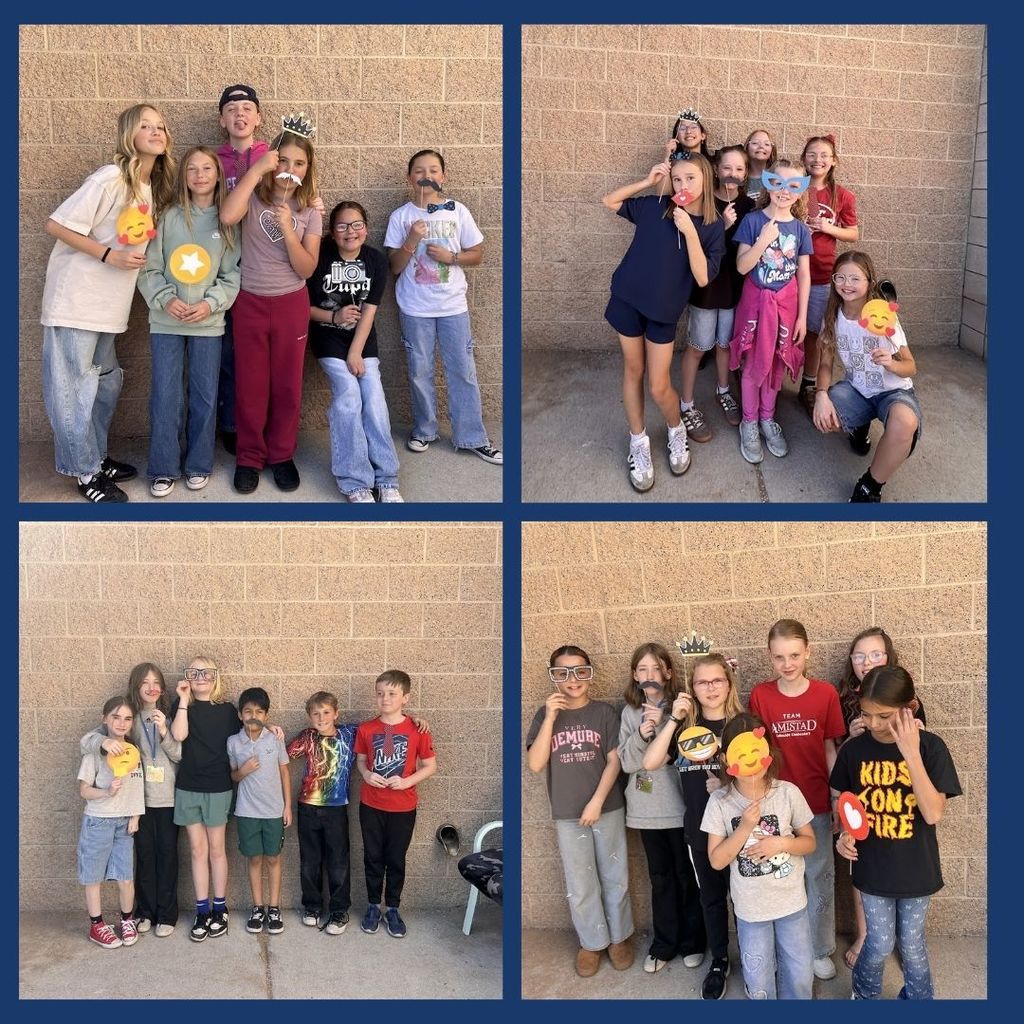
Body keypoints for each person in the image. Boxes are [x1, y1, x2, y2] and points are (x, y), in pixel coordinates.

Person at [41, 103, 175, 502]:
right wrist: (107, 255)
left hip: (108, 308)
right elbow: (56, 224)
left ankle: (96, 458)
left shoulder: (147, 187)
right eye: (146, 126)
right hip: (77, 301)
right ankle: (85, 473)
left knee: (104, 386)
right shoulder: (110, 178)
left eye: (160, 126)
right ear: (129, 134)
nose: (156, 131)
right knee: (74, 390)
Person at [831, 666, 961, 1000]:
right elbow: (845, 805)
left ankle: (918, 1000)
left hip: (917, 870)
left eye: (884, 716)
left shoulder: (931, 748)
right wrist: (844, 835)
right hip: (872, 869)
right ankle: (864, 995)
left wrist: (911, 752)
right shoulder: (854, 751)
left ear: (909, 708)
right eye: (866, 714)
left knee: (912, 945)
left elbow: (933, 813)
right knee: (878, 943)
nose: (873, 724)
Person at [601, 155, 725, 491]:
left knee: (658, 385)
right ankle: (638, 441)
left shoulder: (713, 226)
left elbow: (703, 277)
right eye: (678, 179)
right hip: (627, 299)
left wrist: (691, 232)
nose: (684, 185)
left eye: (691, 178)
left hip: (663, 311)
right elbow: (609, 201)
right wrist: (647, 182)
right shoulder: (656, 206)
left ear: (706, 179)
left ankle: (675, 428)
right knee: (633, 371)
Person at [220, 118, 322, 494]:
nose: (291, 169)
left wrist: (291, 231)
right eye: (285, 161)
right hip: (249, 301)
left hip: (291, 304)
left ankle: (281, 455)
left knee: (286, 386)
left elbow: (306, 268)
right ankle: (249, 457)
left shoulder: (310, 209)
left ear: (308, 169)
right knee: (250, 385)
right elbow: (227, 215)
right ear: (273, 160)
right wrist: (256, 170)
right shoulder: (253, 195)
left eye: (300, 164)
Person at [384, 149, 501, 465]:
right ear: (410, 179)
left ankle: (472, 437)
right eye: (420, 171)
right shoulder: (401, 217)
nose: (427, 176)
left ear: (443, 177)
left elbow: (478, 254)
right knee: (419, 371)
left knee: (463, 371)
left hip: (453, 307)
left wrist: (452, 257)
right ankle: (424, 430)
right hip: (415, 308)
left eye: (434, 170)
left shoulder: (457, 211)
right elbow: (394, 266)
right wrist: (411, 239)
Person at [138, 145, 240, 497]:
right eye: (192, 169)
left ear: (218, 175)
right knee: (165, 395)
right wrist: (166, 299)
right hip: (166, 321)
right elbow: (149, 267)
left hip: (208, 324)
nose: (199, 175)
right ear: (183, 176)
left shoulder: (227, 221)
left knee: (205, 396)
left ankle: (199, 463)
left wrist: (211, 304)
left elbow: (232, 275)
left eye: (207, 168)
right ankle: (163, 466)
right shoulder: (168, 216)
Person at [526, 645, 633, 978]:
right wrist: (550, 718)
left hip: (607, 807)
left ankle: (619, 938)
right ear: (554, 677)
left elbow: (615, 761)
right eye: (562, 673)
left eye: (579, 671)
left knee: (615, 876)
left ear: (590, 674)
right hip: (567, 813)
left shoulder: (604, 713)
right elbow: (535, 763)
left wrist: (597, 801)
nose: (572, 679)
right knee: (580, 881)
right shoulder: (544, 715)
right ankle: (592, 941)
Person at [643, 652, 745, 999]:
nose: (710, 687)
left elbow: (763, 776)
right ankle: (720, 960)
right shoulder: (686, 730)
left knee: (744, 899)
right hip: (700, 831)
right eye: (702, 682)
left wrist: (727, 786)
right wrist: (675, 718)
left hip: (741, 831)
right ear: (692, 688)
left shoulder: (742, 725)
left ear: (728, 684)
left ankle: (753, 956)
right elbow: (650, 762)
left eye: (717, 680)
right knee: (711, 899)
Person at [748, 618, 845, 981]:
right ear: (769, 657)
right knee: (776, 877)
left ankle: (819, 948)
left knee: (819, 877)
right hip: (775, 804)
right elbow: (756, 751)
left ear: (807, 652)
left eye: (794, 655)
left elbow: (829, 748)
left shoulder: (825, 694)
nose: (787, 664)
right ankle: (783, 950)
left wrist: (836, 797)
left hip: (815, 801)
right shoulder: (761, 696)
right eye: (779, 657)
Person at [702, 713, 817, 999]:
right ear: (726, 760)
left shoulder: (788, 793)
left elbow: (810, 842)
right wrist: (744, 828)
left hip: (791, 903)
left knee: (800, 971)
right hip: (751, 910)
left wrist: (781, 843)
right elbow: (716, 860)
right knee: (758, 976)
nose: (751, 763)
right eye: (742, 755)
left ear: (768, 753)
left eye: (756, 753)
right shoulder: (719, 802)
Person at [836, 628, 926, 969]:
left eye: (875, 654)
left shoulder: (905, 697)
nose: (867, 662)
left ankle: (903, 938)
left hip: (898, 804)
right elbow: (839, 757)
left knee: (903, 878)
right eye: (859, 656)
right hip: (863, 802)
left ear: (888, 657)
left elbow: (920, 747)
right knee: (861, 869)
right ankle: (866, 934)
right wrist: (851, 735)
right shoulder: (846, 700)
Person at [616, 642, 705, 974]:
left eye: (656, 668)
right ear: (634, 675)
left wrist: (668, 723)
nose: (650, 675)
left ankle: (693, 942)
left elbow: (687, 756)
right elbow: (627, 764)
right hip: (645, 812)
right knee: (661, 878)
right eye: (643, 669)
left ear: (668, 672)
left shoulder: (682, 708)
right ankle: (665, 943)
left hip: (680, 809)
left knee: (687, 876)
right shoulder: (629, 714)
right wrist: (641, 733)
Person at [308, 201, 403, 503]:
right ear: (332, 232)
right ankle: (354, 480)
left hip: (362, 342)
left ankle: (386, 478)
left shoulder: (375, 260)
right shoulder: (319, 257)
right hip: (328, 337)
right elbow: (301, 308)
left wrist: (356, 352)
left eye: (357, 224)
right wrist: (334, 317)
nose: (350, 232)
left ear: (366, 227)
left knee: (373, 397)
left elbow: (370, 311)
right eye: (342, 226)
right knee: (349, 395)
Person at [80, 663, 182, 938]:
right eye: (145, 682)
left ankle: (167, 914)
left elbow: (179, 755)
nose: (151, 687)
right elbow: (87, 741)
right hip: (137, 802)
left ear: (162, 688)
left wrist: (164, 732)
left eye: (156, 682)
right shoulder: (128, 718)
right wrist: (103, 744)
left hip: (167, 799)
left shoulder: (170, 717)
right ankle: (145, 912)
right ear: (136, 686)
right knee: (144, 857)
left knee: (168, 857)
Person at [812, 251, 921, 503]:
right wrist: (820, 395)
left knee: (905, 424)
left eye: (855, 278)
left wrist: (892, 364)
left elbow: (911, 366)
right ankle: (859, 428)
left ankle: (870, 486)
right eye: (840, 277)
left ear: (869, 282)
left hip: (893, 391)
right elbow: (825, 364)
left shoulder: (883, 317)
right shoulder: (832, 317)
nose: (846, 284)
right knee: (826, 415)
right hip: (858, 390)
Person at [730, 160, 813, 464]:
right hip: (755, 307)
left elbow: (803, 275)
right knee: (753, 365)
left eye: (793, 185)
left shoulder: (801, 229)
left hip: (785, 309)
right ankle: (749, 422)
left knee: (777, 363)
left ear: (801, 191)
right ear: (768, 184)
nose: (784, 191)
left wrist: (802, 317)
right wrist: (763, 241)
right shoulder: (752, 221)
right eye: (778, 183)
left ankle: (767, 417)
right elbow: (742, 267)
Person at [680, 145, 755, 441]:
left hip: (733, 288)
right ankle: (686, 404)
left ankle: (723, 391)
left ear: (746, 174)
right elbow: (692, 244)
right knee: (698, 346)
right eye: (726, 168)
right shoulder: (703, 201)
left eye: (739, 169)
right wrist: (722, 226)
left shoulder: (749, 206)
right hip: (706, 287)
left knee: (725, 344)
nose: (732, 174)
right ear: (716, 170)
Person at [354, 670, 437, 939]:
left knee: (396, 859)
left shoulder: (417, 729)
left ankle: (392, 908)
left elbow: (430, 766)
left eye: (392, 693)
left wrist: (407, 781)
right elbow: (361, 761)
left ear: (405, 697)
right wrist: (367, 774)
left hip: (403, 807)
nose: (385, 699)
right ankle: (372, 906)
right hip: (371, 804)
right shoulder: (366, 729)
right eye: (380, 694)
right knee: (373, 857)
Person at [214, 83, 268, 455]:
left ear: (258, 118)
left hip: (265, 266)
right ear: (222, 120)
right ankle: (232, 424)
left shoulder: (273, 156)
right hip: (225, 264)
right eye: (232, 109)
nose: (240, 114)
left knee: (259, 355)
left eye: (247, 108)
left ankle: (261, 425)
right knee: (229, 352)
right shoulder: (213, 160)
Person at [797, 134, 859, 418]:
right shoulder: (796, 187)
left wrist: (827, 227)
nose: (817, 160)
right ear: (803, 158)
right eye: (812, 154)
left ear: (834, 161)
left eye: (824, 155)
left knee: (815, 333)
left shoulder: (842, 195)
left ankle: (808, 384)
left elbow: (853, 233)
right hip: (787, 272)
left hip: (821, 275)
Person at [286, 690, 358, 935]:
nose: (321, 717)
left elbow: (382, 726)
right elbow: (283, 754)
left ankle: (339, 910)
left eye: (326, 712)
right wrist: (271, 730)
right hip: (308, 807)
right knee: (310, 860)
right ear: (309, 716)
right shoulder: (307, 736)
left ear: (336, 713)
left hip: (336, 809)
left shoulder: (350, 733)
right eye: (316, 713)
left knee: (338, 861)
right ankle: (312, 906)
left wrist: (414, 720)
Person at [76, 696, 145, 948]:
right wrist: (106, 792)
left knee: (125, 877)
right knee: (93, 877)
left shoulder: (133, 753)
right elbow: (84, 790)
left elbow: (138, 788)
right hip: (98, 821)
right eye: (115, 717)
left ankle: (127, 920)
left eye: (127, 718)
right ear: (104, 719)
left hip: (124, 824)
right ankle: (96, 925)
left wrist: (135, 816)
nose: (121, 723)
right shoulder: (94, 753)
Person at [227, 687, 292, 936]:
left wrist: (287, 806)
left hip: (273, 811)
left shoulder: (275, 738)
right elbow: (233, 776)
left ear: (266, 715)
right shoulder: (233, 742)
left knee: (273, 858)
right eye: (248, 711)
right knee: (254, 859)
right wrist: (243, 771)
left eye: (259, 712)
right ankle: (257, 908)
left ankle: (274, 908)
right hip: (247, 811)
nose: (253, 716)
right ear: (240, 715)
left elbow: (284, 771)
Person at [743, 129, 778, 202]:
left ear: (772, 150)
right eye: (755, 143)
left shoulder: (778, 177)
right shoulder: (739, 176)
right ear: (747, 147)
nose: (761, 146)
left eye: (766, 144)